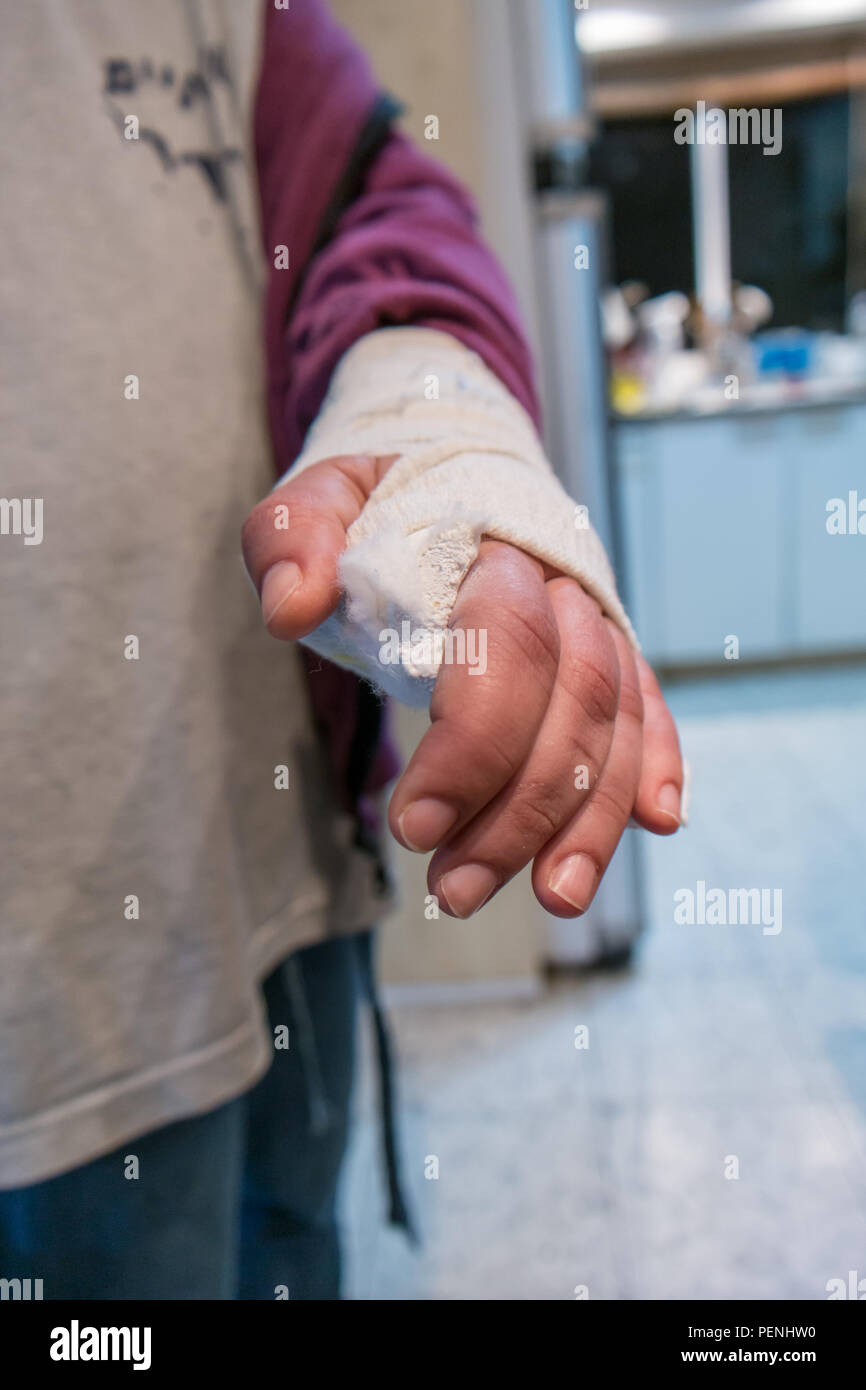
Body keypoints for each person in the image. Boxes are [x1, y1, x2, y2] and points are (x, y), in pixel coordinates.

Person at [0, 0, 683, 1300]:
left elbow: (383, 210)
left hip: (283, 855)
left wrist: (443, 441)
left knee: (295, 1249)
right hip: (41, 983)